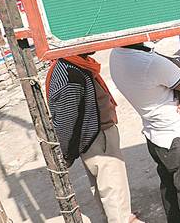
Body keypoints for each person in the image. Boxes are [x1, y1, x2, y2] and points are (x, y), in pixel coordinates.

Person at [109, 44, 180, 223]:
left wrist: (179, 85)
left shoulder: (117, 55)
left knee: (170, 191)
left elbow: (169, 62)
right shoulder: (151, 64)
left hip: (155, 136)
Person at [46, 54, 141, 223]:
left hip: (96, 137)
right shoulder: (69, 74)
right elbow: (66, 122)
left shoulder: (76, 64)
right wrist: (66, 154)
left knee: (104, 187)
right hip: (97, 138)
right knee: (113, 189)